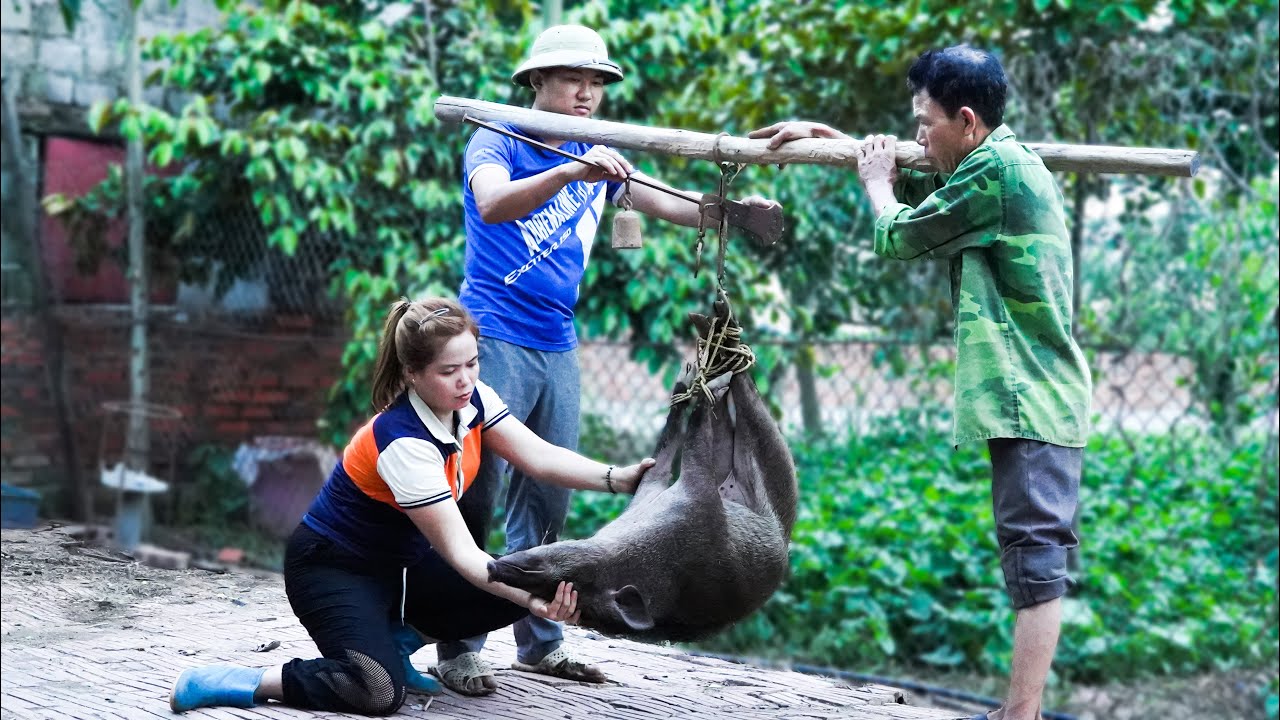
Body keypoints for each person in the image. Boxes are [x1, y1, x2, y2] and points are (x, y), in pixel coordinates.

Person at [751, 46, 1091, 720]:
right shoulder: (993, 162)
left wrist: (874, 181)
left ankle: (1021, 713)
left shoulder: (994, 175)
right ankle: (1018, 710)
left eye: (924, 124)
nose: (916, 137)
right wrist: (841, 144)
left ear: (967, 121)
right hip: (1032, 396)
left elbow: (901, 236)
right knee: (1031, 550)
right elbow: (933, 196)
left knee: (1036, 556)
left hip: (1034, 398)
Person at [444, 23, 779, 695]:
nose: (586, 93)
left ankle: (539, 643)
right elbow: (491, 202)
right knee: (473, 492)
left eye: (596, 83)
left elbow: (668, 203)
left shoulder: (602, 152)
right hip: (491, 339)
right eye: (573, 79)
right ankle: (459, 646)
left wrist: (733, 213)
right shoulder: (497, 138)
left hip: (557, 341)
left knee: (549, 499)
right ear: (537, 81)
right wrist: (574, 169)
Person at [168, 297, 655, 715]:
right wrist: (534, 604)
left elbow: (539, 457)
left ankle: (398, 643)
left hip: (400, 569)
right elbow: (466, 559)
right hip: (333, 568)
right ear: (412, 373)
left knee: (532, 571)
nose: (465, 380)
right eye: (449, 371)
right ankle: (248, 680)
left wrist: (621, 478)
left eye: (472, 363)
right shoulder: (402, 443)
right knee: (378, 692)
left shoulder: (472, 401)